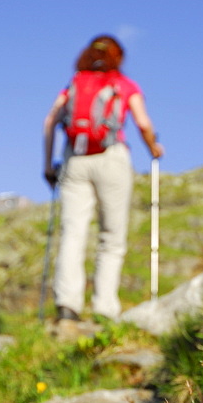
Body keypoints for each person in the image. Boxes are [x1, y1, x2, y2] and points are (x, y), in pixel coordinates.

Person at [43, 34, 163, 322]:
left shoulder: (74, 83)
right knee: (111, 236)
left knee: (73, 232)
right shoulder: (123, 84)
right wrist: (154, 149)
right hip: (112, 158)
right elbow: (143, 122)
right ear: (117, 57)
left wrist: (49, 166)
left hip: (75, 161)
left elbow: (50, 121)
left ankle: (67, 306)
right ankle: (105, 308)